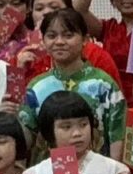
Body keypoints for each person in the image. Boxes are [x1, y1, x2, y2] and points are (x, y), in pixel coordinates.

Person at [20, 10, 125, 157]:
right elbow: (26, 138)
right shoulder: (36, 87)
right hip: (49, 169)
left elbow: (117, 134)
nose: (59, 42)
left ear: (85, 40)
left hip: (95, 169)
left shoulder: (104, 84)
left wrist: (115, 169)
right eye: (51, 36)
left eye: (68, 35)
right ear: (43, 40)